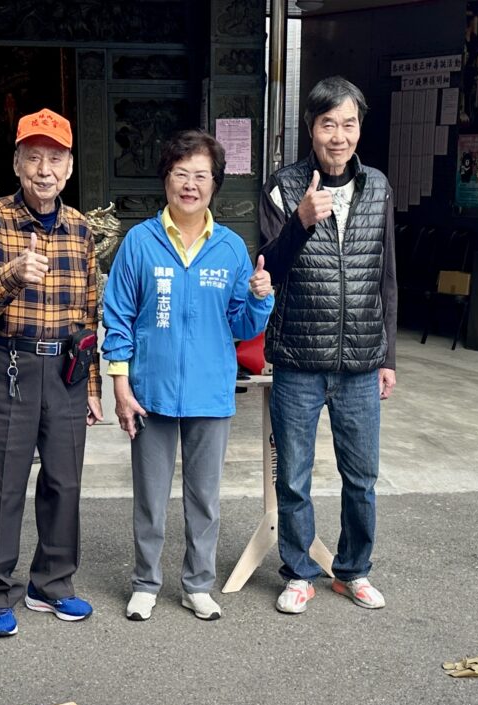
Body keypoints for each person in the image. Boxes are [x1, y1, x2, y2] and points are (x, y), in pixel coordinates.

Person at [102, 129, 274, 622]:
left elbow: (241, 326)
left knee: (204, 498)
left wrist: (260, 298)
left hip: (210, 391)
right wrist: (121, 385)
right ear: (166, 179)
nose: (190, 185)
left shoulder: (231, 248)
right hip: (150, 390)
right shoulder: (140, 242)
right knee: (150, 497)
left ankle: (198, 584)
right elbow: (118, 317)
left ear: (215, 183)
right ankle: (145, 582)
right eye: (181, 174)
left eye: (201, 175)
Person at [0, 108, 102, 638]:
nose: (45, 170)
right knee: (3, 482)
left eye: (56, 159)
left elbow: (89, 314)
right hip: (9, 362)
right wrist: (13, 276)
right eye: (35, 158)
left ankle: (53, 583)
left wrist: (92, 384)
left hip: (67, 367)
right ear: (17, 163)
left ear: (70, 168)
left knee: (64, 480)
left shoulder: (80, 228)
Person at [259, 76, 397, 616]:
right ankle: (299, 573)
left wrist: (388, 358)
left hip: (361, 362)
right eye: (327, 124)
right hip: (298, 359)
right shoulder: (282, 187)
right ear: (310, 128)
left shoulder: (378, 187)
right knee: (293, 476)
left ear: (359, 128)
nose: (338, 136)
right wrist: (300, 221)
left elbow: (387, 277)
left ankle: (354, 570)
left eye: (348, 124)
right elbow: (269, 267)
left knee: (361, 478)